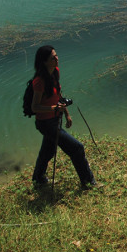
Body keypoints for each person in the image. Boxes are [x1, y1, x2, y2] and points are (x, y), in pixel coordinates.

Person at [30, 45, 96, 189]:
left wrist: (66, 113)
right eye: (53, 58)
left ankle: (38, 179)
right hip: (46, 123)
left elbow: (58, 96)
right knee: (77, 148)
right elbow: (34, 107)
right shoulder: (39, 82)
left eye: (56, 55)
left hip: (55, 120)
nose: (57, 59)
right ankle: (88, 183)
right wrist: (53, 109)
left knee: (48, 151)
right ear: (44, 62)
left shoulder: (55, 72)